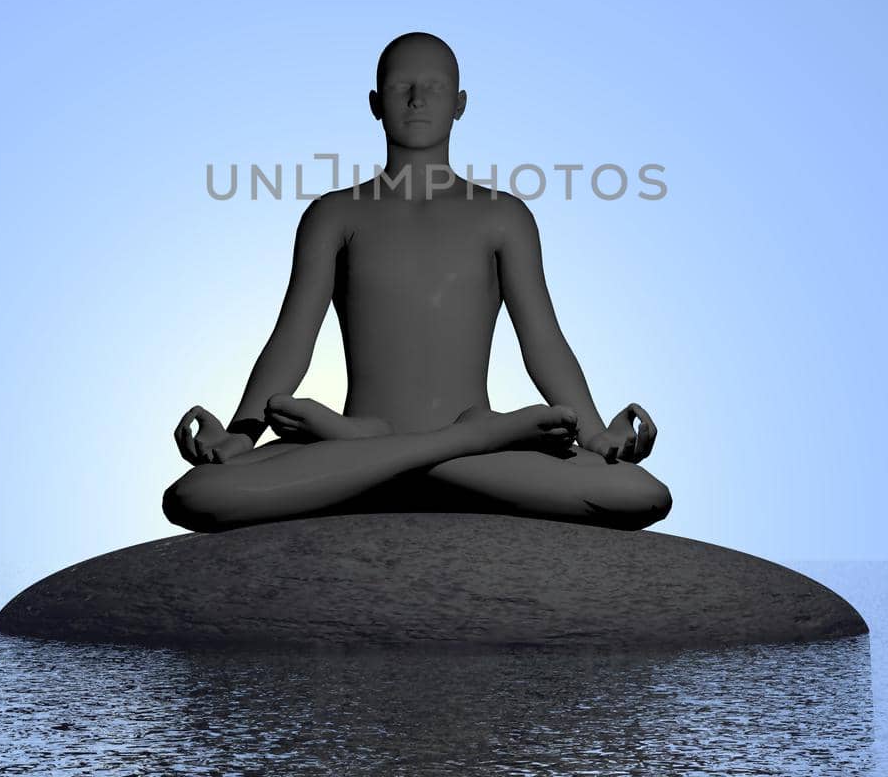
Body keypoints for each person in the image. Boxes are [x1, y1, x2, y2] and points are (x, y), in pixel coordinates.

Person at [164, 32, 670, 532]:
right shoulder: (333, 214)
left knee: (640, 494)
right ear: (375, 103)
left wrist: (598, 432)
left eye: (434, 86)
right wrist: (241, 432)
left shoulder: (504, 217)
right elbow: (292, 339)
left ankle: (389, 448)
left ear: (460, 104)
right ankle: (466, 441)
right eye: (401, 85)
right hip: (461, 446)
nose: (417, 98)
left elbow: (543, 340)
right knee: (197, 496)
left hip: (349, 456)